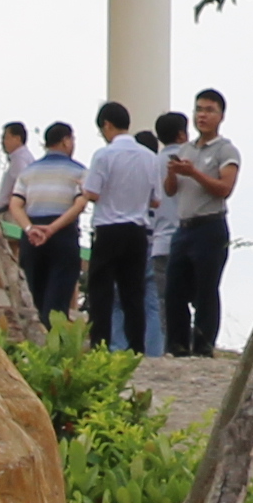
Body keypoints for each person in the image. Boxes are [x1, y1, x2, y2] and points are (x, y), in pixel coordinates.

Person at [159, 86, 244, 359]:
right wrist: (174, 172)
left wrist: (193, 172)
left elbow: (224, 188)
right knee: (174, 289)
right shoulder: (185, 149)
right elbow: (171, 190)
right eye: (199, 110)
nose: (202, 116)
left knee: (206, 289)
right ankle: (177, 344)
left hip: (210, 225)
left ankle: (204, 343)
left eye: (209, 110)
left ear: (221, 116)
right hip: (183, 226)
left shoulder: (225, 150)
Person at [82, 100, 167, 353]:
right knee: (134, 291)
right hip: (137, 230)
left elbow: (92, 193)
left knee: (101, 291)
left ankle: (101, 343)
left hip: (108, 227)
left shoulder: (104, 155)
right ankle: (137, 346)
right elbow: (156, 199)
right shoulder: (150, 158)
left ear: (107, 125)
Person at [15, 118, 84, 326]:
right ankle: (53, 347)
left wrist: (29, 228)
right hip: (62, 234)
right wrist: (53, 229)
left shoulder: (28, 172)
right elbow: (80, 204)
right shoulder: (79, 171)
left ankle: (35, 346)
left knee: (35, 296)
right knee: (58, 302)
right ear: (65, 142)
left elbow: (15, 204)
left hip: (32, 236)